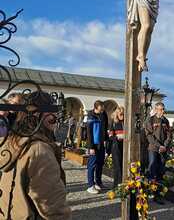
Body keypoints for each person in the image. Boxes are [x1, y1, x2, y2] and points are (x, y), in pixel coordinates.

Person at [0, 91, 71, 219]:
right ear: (37, 113)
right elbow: (54, 209)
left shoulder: (13, 141)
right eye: (51, 109)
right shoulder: (39, 150)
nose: (55, 115)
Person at [145, 102, 171, 204]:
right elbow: (149, 135)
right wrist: (158, 146)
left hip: (163, 150)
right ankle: (150, 192)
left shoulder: (166, 121)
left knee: (161, 171)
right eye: (160, 109)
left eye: (163, 109)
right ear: (156, 110)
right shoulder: (150, 120)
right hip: (153, 149)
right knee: (152, 169)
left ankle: (158, 194)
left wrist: (164, 145)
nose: (162, 111)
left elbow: (169, 135)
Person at [86, 100, 108, 194]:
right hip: (94, 144)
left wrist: (107, 139)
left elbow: (105, 127)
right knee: (92, 165)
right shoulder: (90, 116)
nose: (102, 111)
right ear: (95, 108)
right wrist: (91, 147)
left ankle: (98, 183)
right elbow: (89, 133)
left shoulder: (103, 114)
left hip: (101, 144)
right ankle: (91, 185)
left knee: (100, 164)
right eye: (100, 109)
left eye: (103, 109)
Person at [107, 106, 125, 188]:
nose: (122, 116)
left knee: (123, 165)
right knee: (117, 166)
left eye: (123, 114)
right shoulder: (113, 122)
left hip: (124, 146)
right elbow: (110, 136)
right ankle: (116, 185)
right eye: (120, 114)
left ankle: (122, 184)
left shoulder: (126, 122)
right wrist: (117, 137)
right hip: (116, 146)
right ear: (116, 114)